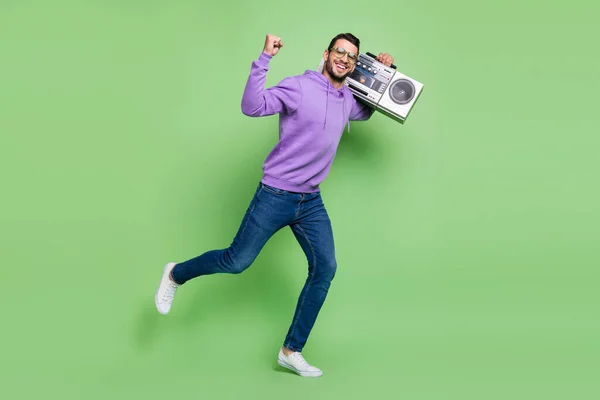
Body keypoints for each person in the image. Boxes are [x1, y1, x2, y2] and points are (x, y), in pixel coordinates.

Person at [155, 32, 394, 378]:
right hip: (275, 194)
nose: (344, 59)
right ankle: (176, 273)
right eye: (339, 52)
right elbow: (252, 106)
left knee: (325, 267)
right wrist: (264, 58)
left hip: (310, 201)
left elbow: (365, 111)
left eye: (352, 57)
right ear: (326, 54)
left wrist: (383, 73)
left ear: (355, 65)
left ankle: (290, 350)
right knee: (236, 261)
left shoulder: (346, 98)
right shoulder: (299, 86)